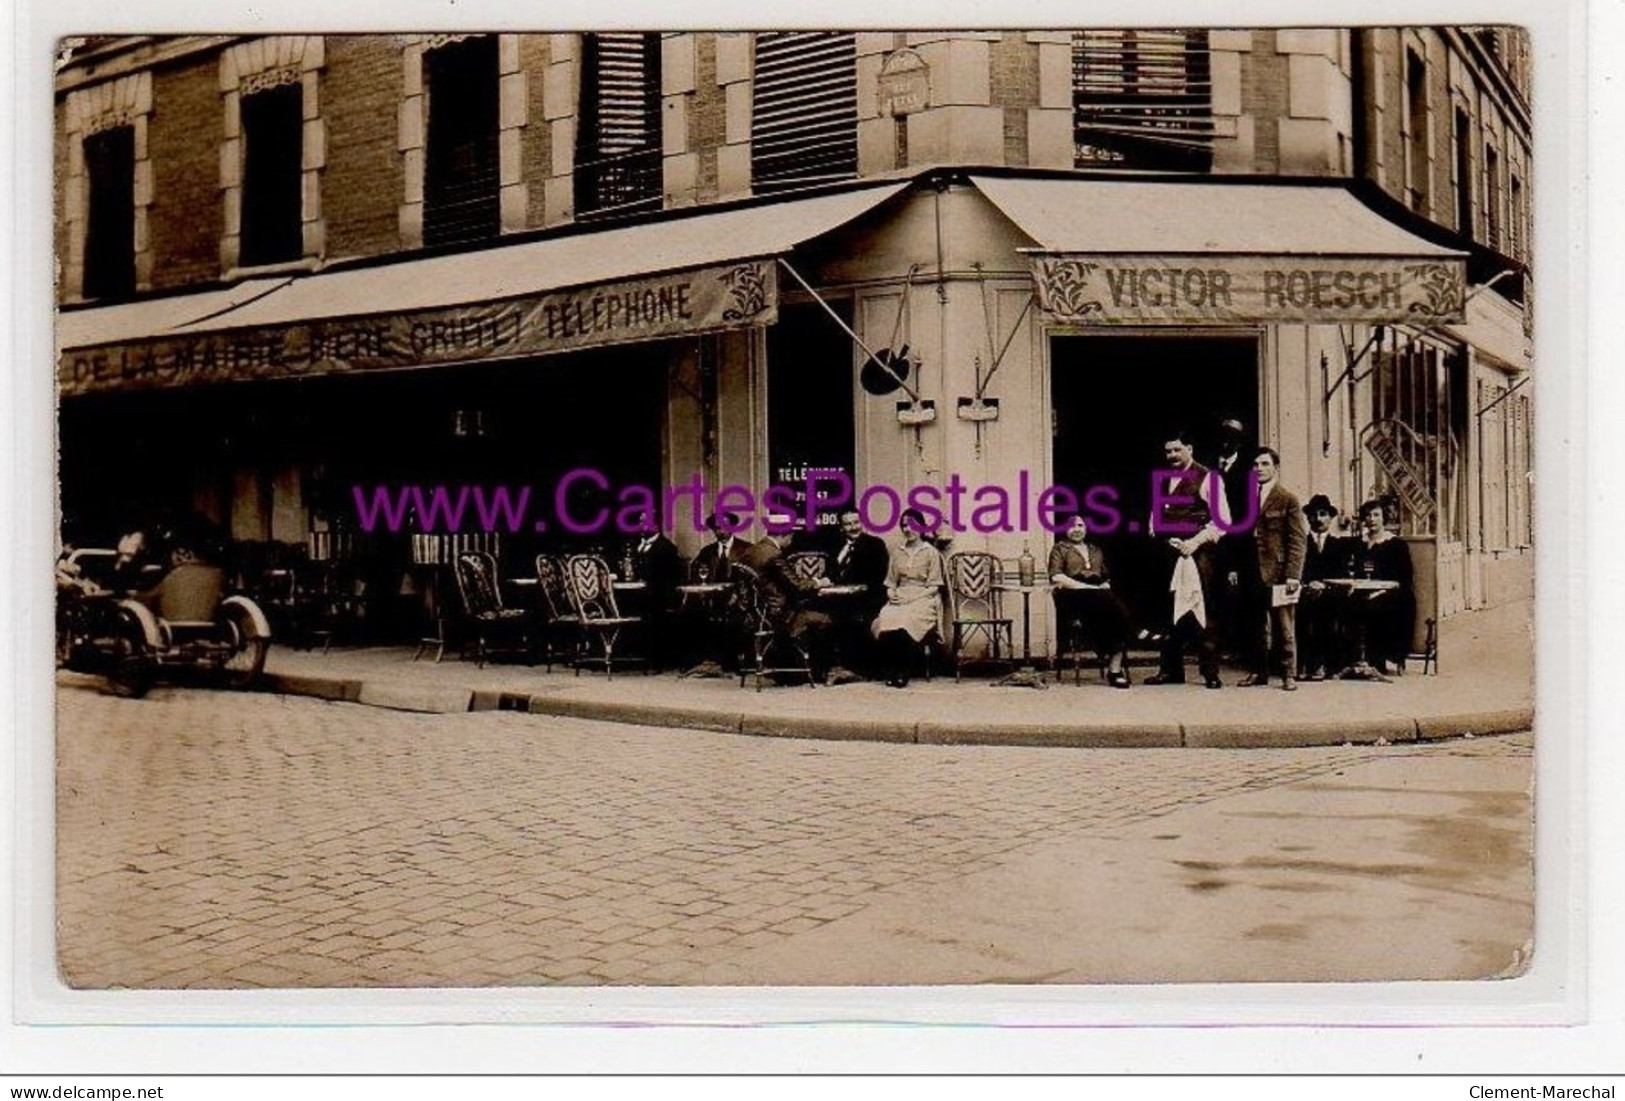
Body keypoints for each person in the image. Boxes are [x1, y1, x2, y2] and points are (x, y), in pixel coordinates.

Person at [1145, 428, 1232, 689]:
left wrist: (1194, 543)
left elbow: (1223, 521)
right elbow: (1154, 516)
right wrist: (1160, 534)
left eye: (1177, 449)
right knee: (1167, 609)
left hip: (1199, 554)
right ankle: (1170, 670)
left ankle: (1210, 672)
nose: (1172, 455)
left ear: (1190, 449)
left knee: (1203, 609)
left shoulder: (1208, 478)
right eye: (1168, 451)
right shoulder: (1162, 479)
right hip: (1170, 553)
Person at [1236, 448, 1307, 691]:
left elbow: (1298, 540)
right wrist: (1236, 568)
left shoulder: (1287, 499)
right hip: (1253, 570)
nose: (1259, 469)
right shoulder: (1248, 498)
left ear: (1275, 467)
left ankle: (1289, 674)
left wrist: (1293, 575)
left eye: (1265, 464)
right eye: (1255, 464)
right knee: (1256, 624)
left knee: (1284, 625)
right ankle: (1259, 671)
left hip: (1279, 572)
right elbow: (1241, 536)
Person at [737, 513, 838, 683]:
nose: (791, 540)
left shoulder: (751, 550)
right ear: (784, 535)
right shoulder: (774, 554)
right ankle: (818, 672)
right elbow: (797, 585)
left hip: (755, 615)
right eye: (791, 536)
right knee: (827, 619)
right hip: (776, 616)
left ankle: (789, 670)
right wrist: (819, 581)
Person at [1049, 514, 1133, 688]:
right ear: (1065, 529)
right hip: (1073, 596)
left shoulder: (1095, 550)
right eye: (1072, 526)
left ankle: (1115, 670)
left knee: (1113, 613)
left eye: (1080, 525)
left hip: (1099, 599)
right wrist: (1089, 588)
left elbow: (1105, 578)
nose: (1077, 530)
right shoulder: (1060, 549)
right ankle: (1136, 630)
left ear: (1086, 528)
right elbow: (1057, 576)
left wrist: (1100, 586)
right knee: (1111, 603)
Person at [871, 508, 946, 688]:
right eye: (904, 525)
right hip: (900, 596)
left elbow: (934, 585)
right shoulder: (898, 552)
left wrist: (913, 598)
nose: (908, 529)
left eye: (912, 525)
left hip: (924, 597)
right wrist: (892, 595)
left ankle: (903, 671)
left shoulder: (930, 552)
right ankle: (892, 670)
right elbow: (890, 583)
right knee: (886, 617)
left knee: (906, 620)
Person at [1349, 499, 1416, 674]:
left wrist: (1379, 591)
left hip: (1392, 594)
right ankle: (1351, 660)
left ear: (1384, 518)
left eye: (1376, 515)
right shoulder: (1358, 544)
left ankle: (1380, 660)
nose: (1371, 519)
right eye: (1368, 515)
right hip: (1362, 592)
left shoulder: (1396, 545)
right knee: (1343, 605)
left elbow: (1404, 578)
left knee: (1379, 607)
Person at [824, 508, 890, 681]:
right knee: (822, 614)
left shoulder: (875, 545)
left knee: (855, 616)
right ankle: (830, 667)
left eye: (856, 522)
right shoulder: (835, 547)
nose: (853, 527)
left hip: (868, 598)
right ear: (841, 527)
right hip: (839, 597)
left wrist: (856, 589)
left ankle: (859, 669)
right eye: (848, 524)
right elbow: (831, 574)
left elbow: (878, 578)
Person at [1297, 494, 1355, 680]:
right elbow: (1297, 569)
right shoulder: (1301, 544)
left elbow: (1342, 574)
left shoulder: (1338, 545)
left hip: (1330, 594)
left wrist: (1324, 585)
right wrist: (1308, 584)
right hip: (1305, 593)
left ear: (1330, 518)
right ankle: (1304, 664)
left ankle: (1325, 664)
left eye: (1323, 514)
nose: (1319, 519)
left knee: (1330, 614)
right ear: (1308, 518)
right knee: (1303, 615)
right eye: (1314, 515)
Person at [1212, 418, 1257, 659]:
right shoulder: (1213, 469)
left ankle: (1242, 649)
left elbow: (1245, 518)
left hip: (1237, 545)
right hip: (1214, 542)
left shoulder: (1248, 471)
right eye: (1223, 437)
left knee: (1239, 598)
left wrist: (1234, 562)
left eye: (1231, 437)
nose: (1226, 442)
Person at [620, 512, 683, 671]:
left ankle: (654, 660)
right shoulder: (634, 546)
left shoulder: (666, 548)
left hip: (657, 597)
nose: (641, 525)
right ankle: (626, 655)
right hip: (635, 594)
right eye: (640, 521)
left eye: (645, 522)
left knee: (651, 611)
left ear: (656, 525)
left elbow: (669, 580)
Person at [690, 512, 755, 583]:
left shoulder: (747, 549)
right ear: (713, 530)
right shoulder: (706, 552)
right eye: (717, 527)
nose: (722, 531)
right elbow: (695, 574)